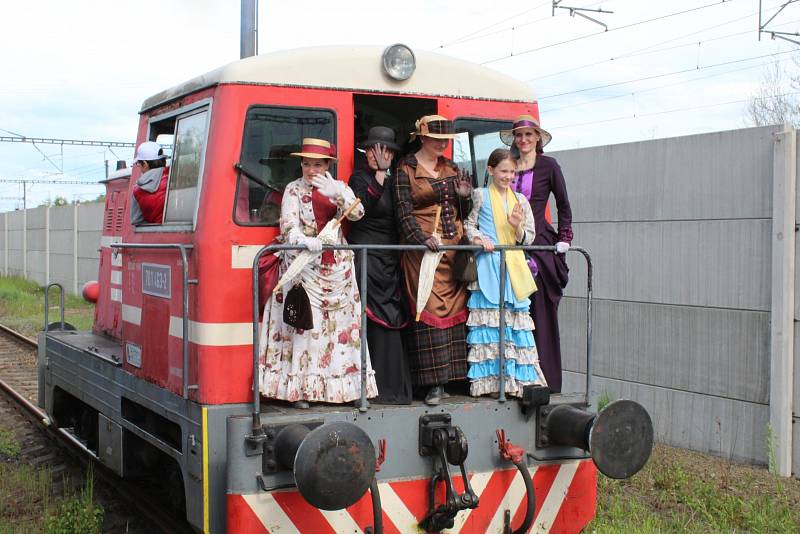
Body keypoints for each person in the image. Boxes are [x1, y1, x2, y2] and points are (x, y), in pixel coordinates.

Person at [258, 138, 378, 408]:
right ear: (301, 164)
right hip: (304, 264)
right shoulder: (293, 189)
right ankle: (301, 391)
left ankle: (342, 389)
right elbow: (288, 225)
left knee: (340, 330)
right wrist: (301, 239)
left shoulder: (337, 187)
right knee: (305, 327)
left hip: (336, 266)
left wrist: (339, 192)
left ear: (327, 165)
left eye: (318, 164)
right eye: (307, 163)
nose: (312, 169)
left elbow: (357, 212)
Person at [394, 115, 473, 405]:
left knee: (456, 311)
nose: (442, 145)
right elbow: (402, 213)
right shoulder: (406, 169)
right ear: (423, 138)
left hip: (452, 250)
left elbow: (463, 209)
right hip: (423, 250)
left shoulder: (451, 168)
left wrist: (464, 197)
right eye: (438, 139)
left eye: (446, 141)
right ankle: (431, 384)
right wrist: (420, 239)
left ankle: (452, 378)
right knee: (427, 307)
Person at [463, 148, 547, 397]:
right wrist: (479, 237)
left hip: (513, 268)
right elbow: (468, 224)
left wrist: (517, 227)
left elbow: (528, 238)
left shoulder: (520, 200)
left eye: (512, 171)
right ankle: (491, 384)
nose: (508, 176)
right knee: (489, 324)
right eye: (503, 171)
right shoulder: (480, 195)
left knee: (515, 325)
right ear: (490, 170)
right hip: (488, 265)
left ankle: (515, 382)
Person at [504, 115, 573, 393]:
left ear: (537, 138)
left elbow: (564, 205)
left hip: (538, 244)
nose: (523, 140)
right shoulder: (506, 166)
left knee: (539, 311)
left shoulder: (549, 166)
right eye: (519, 135)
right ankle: (511, 379)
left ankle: (545, 380)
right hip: (508, 243)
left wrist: (565, 237)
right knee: (508, 312)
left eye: (529, 135)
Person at [348, 126, 413, 405]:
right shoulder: (358, 178)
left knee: (393, 319)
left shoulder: (395, 180)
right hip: (366, 254)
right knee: (369, 318)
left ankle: (393, 388)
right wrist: (379, 173)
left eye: (384, 149)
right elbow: (365, 209)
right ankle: (370, 388)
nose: (379, 154)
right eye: (374, 149)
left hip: (389, 257)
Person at [130, 141, 169, 225]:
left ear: (145, 163)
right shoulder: (176, 178)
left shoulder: (138, 191)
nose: (138, 166)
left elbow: (137, 222)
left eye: (138, 163)